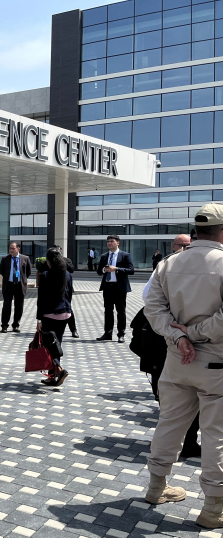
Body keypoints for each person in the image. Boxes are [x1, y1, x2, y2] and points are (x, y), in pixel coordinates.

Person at [143, 204, 223, 528]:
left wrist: (178, 338)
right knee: (217, 434)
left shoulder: (169, 263)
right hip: (216, 363)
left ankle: (156, 486)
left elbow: (152, 307)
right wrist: (193, 333)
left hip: (177, 359)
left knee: (169, 424)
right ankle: (214, 508)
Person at [139, 234, 200, 459]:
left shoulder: (169, 265)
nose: (185, 249)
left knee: (175, 411)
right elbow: (149, 301)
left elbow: (151, 303)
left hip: (180, 344)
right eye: (182, 245)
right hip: (177, 347)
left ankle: (159, 478)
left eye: (188, 245)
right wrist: (182, 334)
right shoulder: (167, 265)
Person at [35, 248, 73, 387]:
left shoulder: (45, 275)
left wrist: (39, 319)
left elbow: (42, 299)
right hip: (65, 313)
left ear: (49, 261)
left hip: (50, 314)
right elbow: (70, 294)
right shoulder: (68, 274)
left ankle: (60, 370)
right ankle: (51, 377)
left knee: (48, 346)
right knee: (56, 344)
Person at [96, 235, 135, 342]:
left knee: (121, 311)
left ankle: (121, 334)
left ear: (118, 243)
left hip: (120, 287)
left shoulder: (125, 255)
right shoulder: (104, 256)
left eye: (112, 241)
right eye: (108, 241)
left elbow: (131, 270)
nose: (109, 243)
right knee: (108, 311)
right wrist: (104, 270)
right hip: (107, 287)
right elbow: (99, 271)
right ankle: (107, 334)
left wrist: (116, 269)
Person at [0, 242, 31, 333]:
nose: (11, 250)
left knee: (19, 306)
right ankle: (4, 325)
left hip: (19, 286)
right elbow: (2, 271)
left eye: (13, 248)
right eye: (10, 248)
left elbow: (27, 272)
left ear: (18, 249)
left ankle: (16, 325)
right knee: (6, 306)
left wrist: (21, 280)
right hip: (8, 285)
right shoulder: (5, 259)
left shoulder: (25, 258)